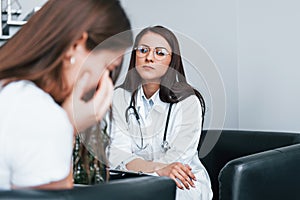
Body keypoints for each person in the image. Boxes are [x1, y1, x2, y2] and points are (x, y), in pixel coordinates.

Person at [0, 0, 132, 190]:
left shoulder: (10, 92)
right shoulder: (41, 115)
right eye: (106, 67)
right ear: (76, 44)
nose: (103, 84)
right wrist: (69, 126)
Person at [108, 25, 213, 200]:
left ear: (172, 61)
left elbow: (179, 159)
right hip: (131, 180)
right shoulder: (119, 97)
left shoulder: (188, 102)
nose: (149, 58)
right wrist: (156, 169)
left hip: (182, 181)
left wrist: (144, 169)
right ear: (135, 56)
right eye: (143, 50)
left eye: (160, 53)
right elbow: (118, 154)